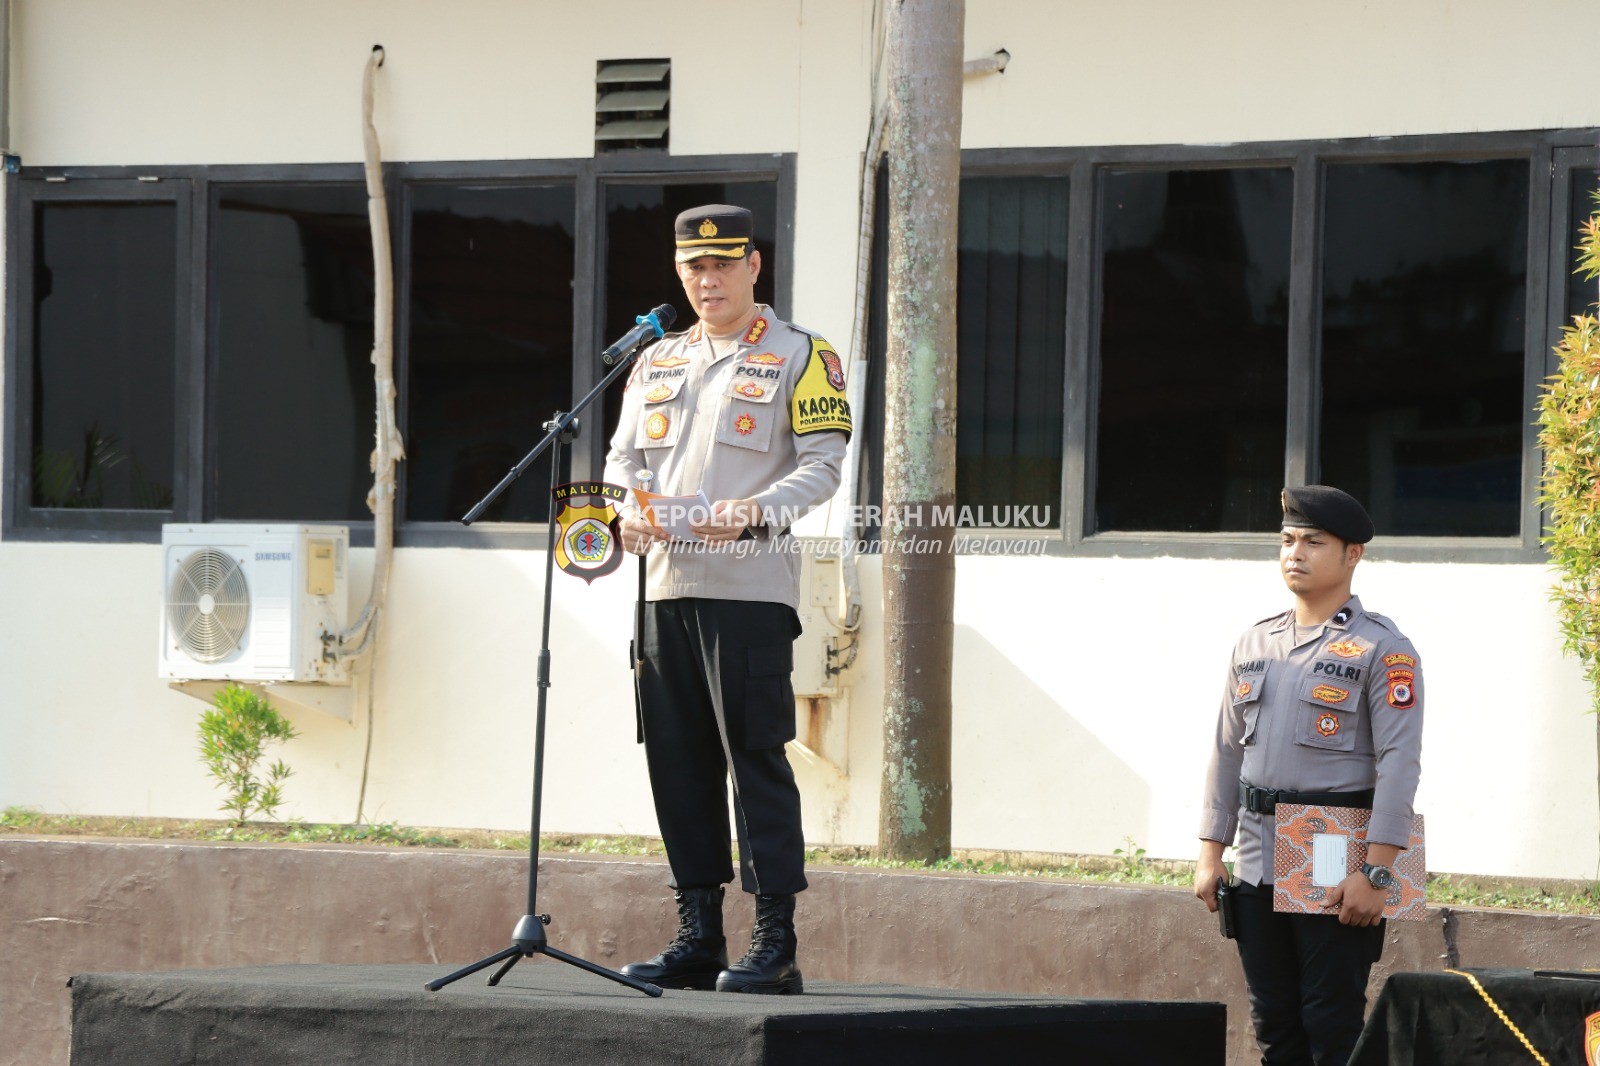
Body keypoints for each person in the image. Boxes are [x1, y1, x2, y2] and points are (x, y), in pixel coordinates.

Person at [602, 204, 851, 994]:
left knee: (755, 764)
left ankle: (775, 941)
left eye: (722, 265)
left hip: (747, 590)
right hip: (664, 589)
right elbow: (620, 459)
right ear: (680, 276)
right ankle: (697, 933)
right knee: (677, 763)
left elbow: (824, 465)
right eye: (693, 269)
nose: (707, 281)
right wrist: (624, 513)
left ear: (753, 267)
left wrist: (752, 511)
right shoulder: (655, 361)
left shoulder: (803, 354)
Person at [1195, 485, 1425, 1065]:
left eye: (1313, 542)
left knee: (1330, 1020)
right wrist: (1209, 851)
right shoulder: (1254, 642)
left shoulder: (1382, 649)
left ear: (1353, 555)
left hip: (1330, 847)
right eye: (1287, 540)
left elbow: (1400, 762)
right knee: (1274, 1024)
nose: (1294, 553)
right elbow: (1226, 751)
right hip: (1253, 853)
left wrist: (1378, 869)